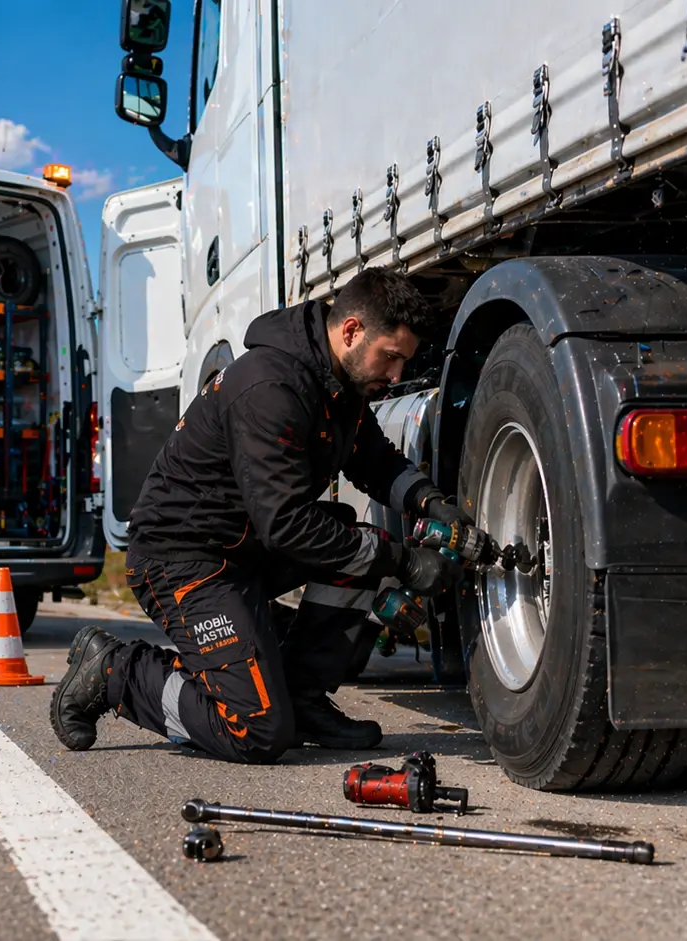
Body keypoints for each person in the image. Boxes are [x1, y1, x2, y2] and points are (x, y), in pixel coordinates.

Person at [50, 267, 469, 764]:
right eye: (392, 357)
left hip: (245, 548)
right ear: (352, 331)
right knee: (255, 730)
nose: (397, 375)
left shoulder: (341, 386)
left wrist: (430, 501)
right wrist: (404, 561)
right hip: (184, 559)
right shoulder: (270, 387)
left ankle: (303, 697)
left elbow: (374, 460)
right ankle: (117, 671)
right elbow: (287, 523)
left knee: (357, 548)